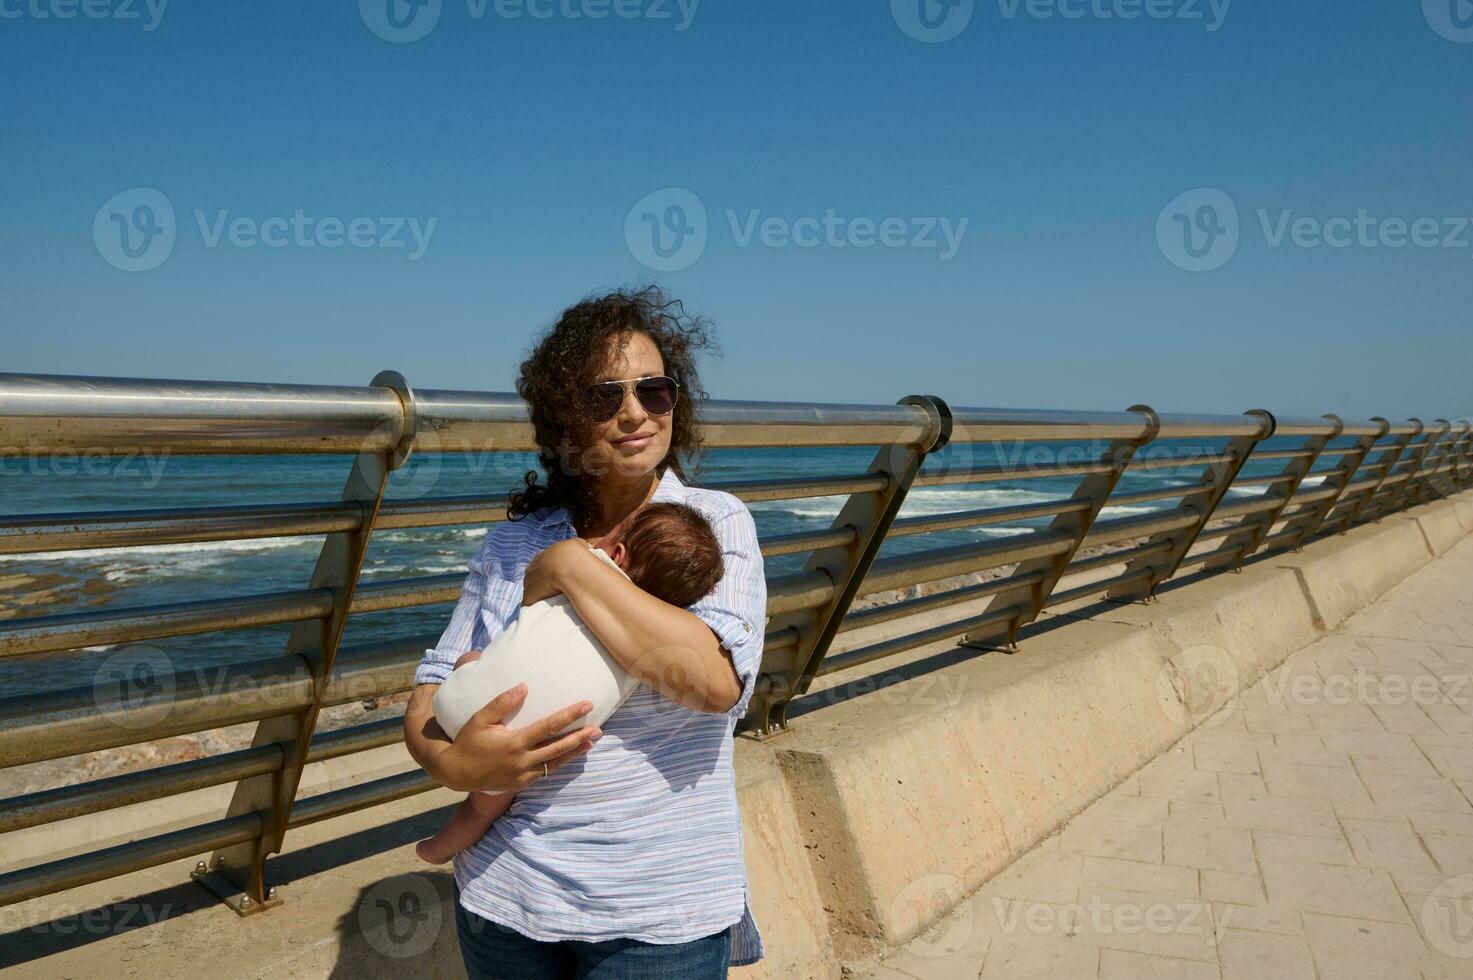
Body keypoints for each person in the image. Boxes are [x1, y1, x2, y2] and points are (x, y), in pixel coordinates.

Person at [402, 286, 768, 979]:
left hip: (657, 915)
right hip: (503, 895)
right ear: (566, 419)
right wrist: (451, 764)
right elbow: (433, 680)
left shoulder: (713, 525)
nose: (634, 411)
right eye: (604, 396)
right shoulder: (513, 544)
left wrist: (573, 567)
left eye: (653, 390)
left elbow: (712, 682)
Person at [414, 501, 726, 866]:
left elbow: (532, 591)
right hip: (521, 755)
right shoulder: (654, 642)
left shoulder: (581, 565)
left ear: (618, 553)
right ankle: (439, 848)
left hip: (456, 705)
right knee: (486, 806)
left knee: (471, 658)